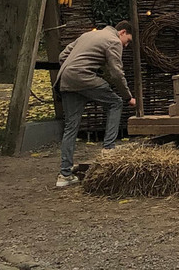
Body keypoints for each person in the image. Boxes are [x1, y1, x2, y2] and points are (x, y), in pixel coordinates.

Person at [55, 20, 136, 188]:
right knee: (116, 103)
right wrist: (128, 96)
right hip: (83, 77)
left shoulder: (88, 35)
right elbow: (116, 73)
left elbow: (62, 56)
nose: (126, 45)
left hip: (66, 79)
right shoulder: (113, 41)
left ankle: (64, 175)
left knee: (71, 127)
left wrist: (76, 71)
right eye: (127, 41)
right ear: (122, 32)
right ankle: (108, 150)